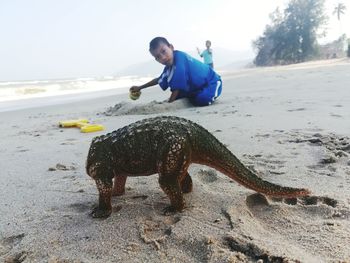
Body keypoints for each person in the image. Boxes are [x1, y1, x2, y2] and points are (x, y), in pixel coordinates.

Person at [130, 37, 222, 106]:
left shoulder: (180, 59)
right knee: (182, 96)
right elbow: (159, 79)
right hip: (197, 87)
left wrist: (170, 103)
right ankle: (193, 94)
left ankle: (202, 94)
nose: (163, 57)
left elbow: (177, 86)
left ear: (171, 47)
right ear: (156, 60)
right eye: (158, 57)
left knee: (202, 99)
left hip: (212, 81)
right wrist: (140, 87)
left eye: (164, 51)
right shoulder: (169, 67)